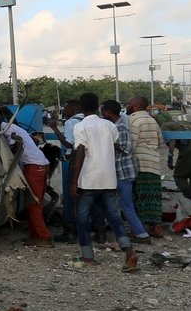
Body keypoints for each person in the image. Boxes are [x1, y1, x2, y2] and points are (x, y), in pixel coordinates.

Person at [69, 93, 139, 272]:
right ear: (98, 106)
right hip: (109, 179)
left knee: (82, 218)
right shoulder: (109, 125)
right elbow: (115, 147)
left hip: (89, 180)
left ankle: (88, 256)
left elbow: (81, 153)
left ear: (81, 107)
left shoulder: (80, 126)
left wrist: (74, 182)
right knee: (114, 218)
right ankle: (129, 251)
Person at [100, 100, 151, 244]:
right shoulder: (116, 125)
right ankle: (131, 232)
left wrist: (105, 142)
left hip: (123, 172)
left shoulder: (121, 127)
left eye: (103, 111)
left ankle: (142, 234)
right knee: (121, 204)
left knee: (126, 205)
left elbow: (125, 147)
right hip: (120, 171)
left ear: (109, 112)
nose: (102, 114)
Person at [0, 116, 53, 247]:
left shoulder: (5, 129)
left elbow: (15, 147)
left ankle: (44, 237)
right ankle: (36, 235)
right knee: (35, 203)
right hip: (41, 164)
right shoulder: (13, 127)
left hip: (34, 166)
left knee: (33, 203)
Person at [126, 96, 166, 238]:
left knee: (140, 197)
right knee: (154, 197)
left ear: (136, 105)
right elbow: (161, 141)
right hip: (154, 163)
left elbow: (131, 144)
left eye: (129, 103)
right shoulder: (151, 120)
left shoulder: (133, 120)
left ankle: (140, 229)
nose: (127, 105)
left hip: (140, 163)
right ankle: (157, 227)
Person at [48, 100, 83, 241]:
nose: (65, 111)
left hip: (72, 160)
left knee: (70, 197)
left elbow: (69, 143)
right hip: (87, 162)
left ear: (75, 108)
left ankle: (70, 231)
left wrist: (55, 129)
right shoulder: (86, 120)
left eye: (67, 108)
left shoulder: (71, 122)